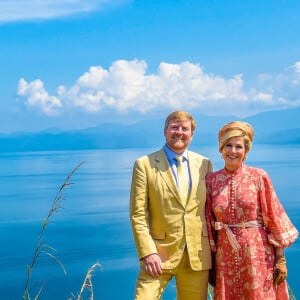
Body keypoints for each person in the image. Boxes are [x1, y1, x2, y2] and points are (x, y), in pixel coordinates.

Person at [205, 121, 299, 299]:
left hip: (257, 253)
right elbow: (209, 223)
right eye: (228, 146)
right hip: (224, 257)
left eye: (238, 147)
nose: (233, 151)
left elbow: (274, 217)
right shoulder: (211, 181)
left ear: (246, 151)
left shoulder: (259, 177)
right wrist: (211, 262)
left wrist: (280, 259)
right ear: (221, 149)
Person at [130, 110, 213, 300]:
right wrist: (148, 253)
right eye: (174, 127)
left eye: (185, 129)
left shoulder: (204, 164)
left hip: (197, 256)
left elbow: (211, 211)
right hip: (158, 256)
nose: (179, 132)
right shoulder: (144, 164)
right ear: (165, 131)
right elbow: (138, 214)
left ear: (192, 135)